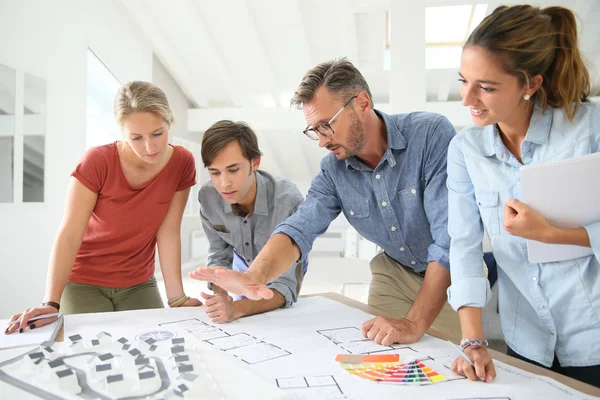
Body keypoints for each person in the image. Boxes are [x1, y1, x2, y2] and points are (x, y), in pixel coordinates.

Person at [191, 58, 461, 343]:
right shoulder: (333, 169)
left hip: (450, 271)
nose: (321, 141)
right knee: (381, 355)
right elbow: (301, 227)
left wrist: (413, 323)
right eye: (314, 131)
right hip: (393, 271)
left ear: (362, 103)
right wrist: (254, 276)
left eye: (326, 126)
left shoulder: (430, 134)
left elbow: (448, 240)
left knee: (453, 361)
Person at [446, 5, 600, 388]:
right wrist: (473, 341)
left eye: (487, 87)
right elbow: (463, 246)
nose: (468, 99)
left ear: (530, 84)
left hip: (593, 338)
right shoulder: (465, 150)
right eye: (464, 80)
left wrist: (552, 234)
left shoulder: (589, 130)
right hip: (527, 343)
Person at [5, 81, 201, 335]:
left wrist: (177, 298)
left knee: (157, 346)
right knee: (94, 352)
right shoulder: (97, 161)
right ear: (122, 131)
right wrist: (51, 302)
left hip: (138, 282)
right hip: (83, 281)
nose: (149, 147)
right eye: (136, 138)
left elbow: (169, 231)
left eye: (157, 134)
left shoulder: (182, 162)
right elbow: (70, 233)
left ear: (169, 123)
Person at [194, 120, 306, 323]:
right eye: (214, 172)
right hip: (240, 261)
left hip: (279, 271)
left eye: (233, 170)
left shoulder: (287, 202)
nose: (224, 183)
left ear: (255, 162)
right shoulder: (208, 197)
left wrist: (235, 309)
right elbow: (219, 255)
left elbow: (285, 286)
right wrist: (221, 297)